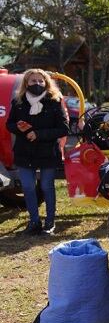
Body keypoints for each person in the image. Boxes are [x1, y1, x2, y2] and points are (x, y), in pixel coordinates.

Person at [5, 69, 69, 235]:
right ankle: (34, 222)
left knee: (47, 186)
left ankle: (50, 223)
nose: (37, 84)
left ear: (46, 82)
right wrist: (19, 128)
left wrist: (38, 134)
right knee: (27, 186)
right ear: (26, 83)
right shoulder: (18, 102)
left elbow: (63, 129)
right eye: (33, 81)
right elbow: (9, 124)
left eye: (41, 81)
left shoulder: (54, 101)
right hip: (24, 152)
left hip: (47, 152)